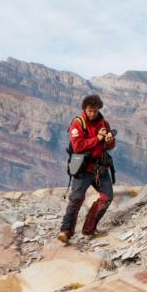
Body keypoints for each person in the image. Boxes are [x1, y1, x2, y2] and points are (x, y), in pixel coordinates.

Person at [58, 94, 116, 244]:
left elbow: (109, 147)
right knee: (76, 199)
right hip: (83, 168)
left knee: (107, 197)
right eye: (90, 111)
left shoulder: (104, 123)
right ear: (85, 109)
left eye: (95, 111)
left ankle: (89, 228)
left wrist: (109, 141)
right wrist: (97, 138)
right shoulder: (78, 123)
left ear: (98, 109)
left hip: (100, 167)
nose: (92, 114)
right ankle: (65, 231)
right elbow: (78, 146)